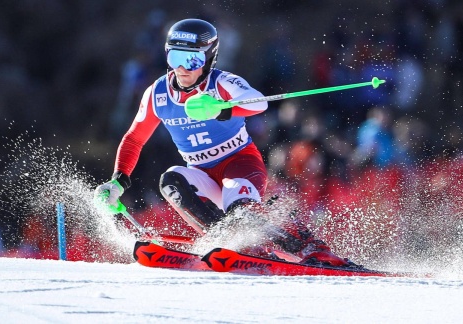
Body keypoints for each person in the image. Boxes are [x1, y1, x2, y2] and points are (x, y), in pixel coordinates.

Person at [96, 18, 350, 266]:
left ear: (208, 59)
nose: (182, 68)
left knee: (240, 213)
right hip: (202, 174)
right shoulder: (157, 94)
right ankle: (225, 240)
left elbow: (259, 102)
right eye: (175, 58)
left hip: (240, 165)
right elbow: (134, 138)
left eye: (192, 60)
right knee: (171, 181)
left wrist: (221, 109)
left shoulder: (221, 83)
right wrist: (118, 181)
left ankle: (310, 247)